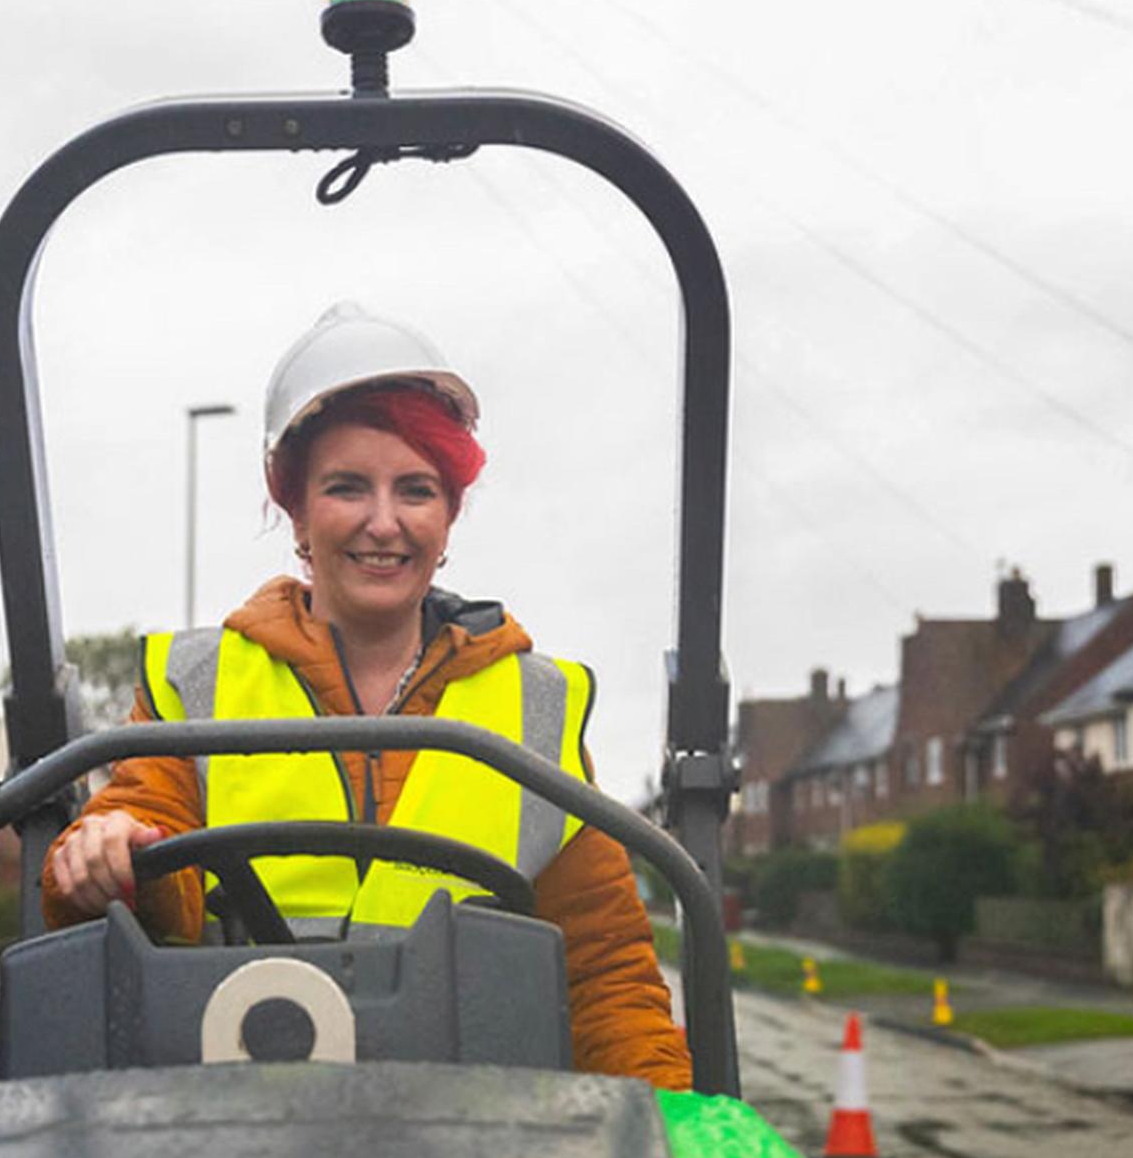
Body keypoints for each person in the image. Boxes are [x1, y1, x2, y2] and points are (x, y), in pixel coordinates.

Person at [42, 303, 691, 1090]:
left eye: (416, 490)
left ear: (449, 517)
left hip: (472, 1136)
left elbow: (605, 969)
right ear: (296, 509)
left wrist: (672, 1136)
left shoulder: (532, 707)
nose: (383, 523)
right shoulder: (200, 687)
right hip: (241, 1123)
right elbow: (145, 846)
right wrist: (105, 854)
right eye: (347, 487)